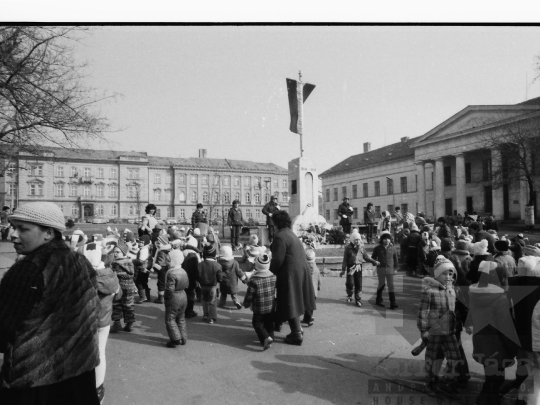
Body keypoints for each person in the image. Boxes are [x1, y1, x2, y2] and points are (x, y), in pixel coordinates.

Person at [0, 202, 101, 404]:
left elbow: (3, 328)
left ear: (48, 233)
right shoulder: (79, 260)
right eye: (13, 227)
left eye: (22, 229)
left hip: (35, 380)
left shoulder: (29, 269)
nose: (12, 234)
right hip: (79, 370)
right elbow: (92, 307)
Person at [466, 261, 519, 405]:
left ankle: (485, 400)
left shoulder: (474, 295)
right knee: (496, 380)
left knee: (491, 377)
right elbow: (506, 328)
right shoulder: (500, 300)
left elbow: (471, 317)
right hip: (497, 347)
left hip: (481, 344)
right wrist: (514, 347)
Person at [79, 242, 121, 403]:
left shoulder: (84, 275)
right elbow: (118, 296)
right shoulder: (110, 274)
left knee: (84, 353)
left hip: (86, 321)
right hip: (104, 320)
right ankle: (98, 388)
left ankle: (85, 386)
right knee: (100, 353)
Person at [416, 256, 461, 398]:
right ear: (437, 275)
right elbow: (423, 312)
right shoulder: (429, 292)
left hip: (449, 331)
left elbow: (454, 310)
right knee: (432, 358)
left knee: (455, 357)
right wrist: (423, 330)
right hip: (434, 332)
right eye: (445, 273)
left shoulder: (452, 290)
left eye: (451, 274)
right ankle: (430, 383)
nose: (448, 277)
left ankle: (448, 380)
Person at [269, 210, 316, 346]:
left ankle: (296, 332)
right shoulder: (291, 234)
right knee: (294, 299)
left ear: (277, 223)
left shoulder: (280, 237)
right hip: (301, 269)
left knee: (290, 300)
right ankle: (296, 328)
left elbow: (277, 260)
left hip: (290, 272)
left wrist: (268, 272)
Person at [243, 254, 277, 351]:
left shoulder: (254, 280)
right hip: (271, 306)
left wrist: (246, 303)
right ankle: (271, 337)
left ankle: (265, 338)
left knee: (257, 323)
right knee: (269, 322)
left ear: (256, 265)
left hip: (259, 307)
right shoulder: (274, 277)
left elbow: (250, 295)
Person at [341, 232, 378, 307]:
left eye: (358, 240)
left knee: (358, 283)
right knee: (350, 283)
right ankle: (349, 294)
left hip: (358, 267)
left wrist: (373, 261)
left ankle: (358, 299)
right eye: (355, 240)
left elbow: (366, 257)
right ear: (352, 240)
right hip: (351, 267)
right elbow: (345, 260)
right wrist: (343, 269)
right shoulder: (348, 248)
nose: (357, 241)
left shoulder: (361, 247)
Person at [110, 240, 136, 333]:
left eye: (118, 252)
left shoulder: (116, 263)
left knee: (116, 304)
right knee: (128, 305)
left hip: (119, 286)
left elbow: (113, 275)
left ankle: (117, 324)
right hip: (130, 286)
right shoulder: (130, 262)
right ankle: (129, 324)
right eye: (115, 252)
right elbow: (132, 275)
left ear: (123, 252)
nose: (115, 254)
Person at [164, 250, 189, 348]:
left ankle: (175, 339)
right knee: (181, 318)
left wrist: (166, 297)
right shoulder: (183, 271)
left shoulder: (171, 273)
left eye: (168, 260)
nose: (166, 262)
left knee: (170, 319)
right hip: (183, 295)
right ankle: (183, 338)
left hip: (174, 297)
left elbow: (170, 289)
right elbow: (187, 284)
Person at [372, 232, 399, 309]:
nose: (387, 240)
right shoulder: (377, 248)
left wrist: (396, 268)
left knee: (391, 286)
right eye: (385, 239)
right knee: (381, 284)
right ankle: (379, 300)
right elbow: (373, 257)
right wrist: (375, 262)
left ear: (390, 240)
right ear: (382, 240)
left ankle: (393, 302)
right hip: (381, 269)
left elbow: (396, 259)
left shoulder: (393, 248)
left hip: (390, 270)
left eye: (388, 239)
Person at [198, 244, 222, 324]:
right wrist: (219, 281)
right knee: (212, 302)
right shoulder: (217, 265)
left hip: (203, 285)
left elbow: (198, 275)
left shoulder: (200, 264)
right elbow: (220, 277)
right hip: (212, 286)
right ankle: (211, 317)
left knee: (204, 300)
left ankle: (205, 314)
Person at [303, 249, 321, 326]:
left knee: (306, 306)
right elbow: (319, 279)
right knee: (311, 305)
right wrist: (319, 286)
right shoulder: (316, 269)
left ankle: (308, 319)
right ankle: (308, 317)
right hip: (314, 290)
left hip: (306, 289)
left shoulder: (304, 269)